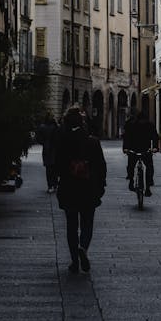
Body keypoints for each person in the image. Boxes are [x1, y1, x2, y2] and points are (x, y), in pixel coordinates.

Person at [55, 106, 107, 274]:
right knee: (87, 223)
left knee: (71, 225)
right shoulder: (92, 141)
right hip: (88, 188)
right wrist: (101, 185)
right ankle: (83, 247)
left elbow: (56, 166)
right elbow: (101, 166)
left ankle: (74, 262)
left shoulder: (62, 141)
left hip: (69, 188)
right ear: (82, 122)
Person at [123, 111, 158, 196]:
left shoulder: (133, 124)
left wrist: (125, 148)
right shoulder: (148, 125)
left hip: (138, 149)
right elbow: (155, 136)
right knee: (148, 166)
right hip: (142, 149)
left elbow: (126, 137)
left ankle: (136, 182)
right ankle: (143, 185)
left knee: (133, 165)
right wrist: (155, 147)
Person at [36, 112, 59, 193]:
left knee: (49, 169)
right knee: (54, 168)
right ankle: (54, 184)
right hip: (54, 150)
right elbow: (58, 138)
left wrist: (44, 143)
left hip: (47, 149)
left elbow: (38, 138)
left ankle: (50, 185)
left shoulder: (42, 126)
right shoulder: (55, 126)